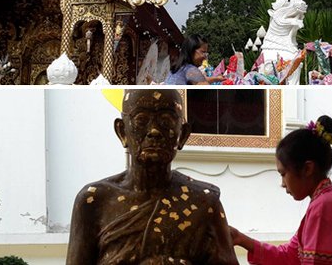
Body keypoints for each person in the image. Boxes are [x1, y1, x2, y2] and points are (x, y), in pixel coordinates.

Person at [66, 89, 240, 265]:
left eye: (166, 121)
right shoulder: (94, 200)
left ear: (183, 135)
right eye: (141, 120)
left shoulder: (204, 202)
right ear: (122, 132)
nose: (154, 131)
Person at [229, 116, 332, 265]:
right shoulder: (323, 202)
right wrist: (241, 239)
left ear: (307, 168)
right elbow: (288, 256)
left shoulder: (326, 204)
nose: (282, 184)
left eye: (283, 174)